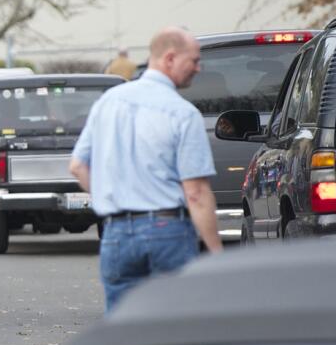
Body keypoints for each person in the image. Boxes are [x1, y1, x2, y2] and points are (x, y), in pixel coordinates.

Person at [70, 26, 222, 311]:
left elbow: (78, 166)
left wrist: (111, 196)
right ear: (170, 58)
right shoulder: (182, 113)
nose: (198, 68)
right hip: (167, 231)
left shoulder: (107, 103)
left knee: (125, 331)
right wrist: (216, 254)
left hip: (115, 233)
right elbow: (197, 193)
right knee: (174, 328)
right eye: (194, 60)